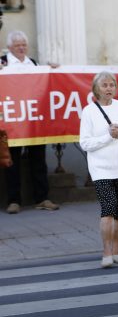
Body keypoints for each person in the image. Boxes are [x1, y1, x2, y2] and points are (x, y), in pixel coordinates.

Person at [79, 71, 118, 268]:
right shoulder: (89, 111)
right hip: (100, 169)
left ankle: (116, 251)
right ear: (96, 88)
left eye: (111, 85)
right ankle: (106, 253)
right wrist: (108, 136)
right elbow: (85, 143)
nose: (108, 88)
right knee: (108, 209)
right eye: (104, 85)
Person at [2, 31, 59, 214]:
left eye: (24, 44)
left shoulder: (33, 63)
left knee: (39, 160)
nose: (21, 47)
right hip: (12, 121)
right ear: (10, 47)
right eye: (17, 44)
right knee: (12, 161)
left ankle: (42, 198)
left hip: (33, 120)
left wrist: (52, 71)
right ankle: (13, 200)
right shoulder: (2, 63)